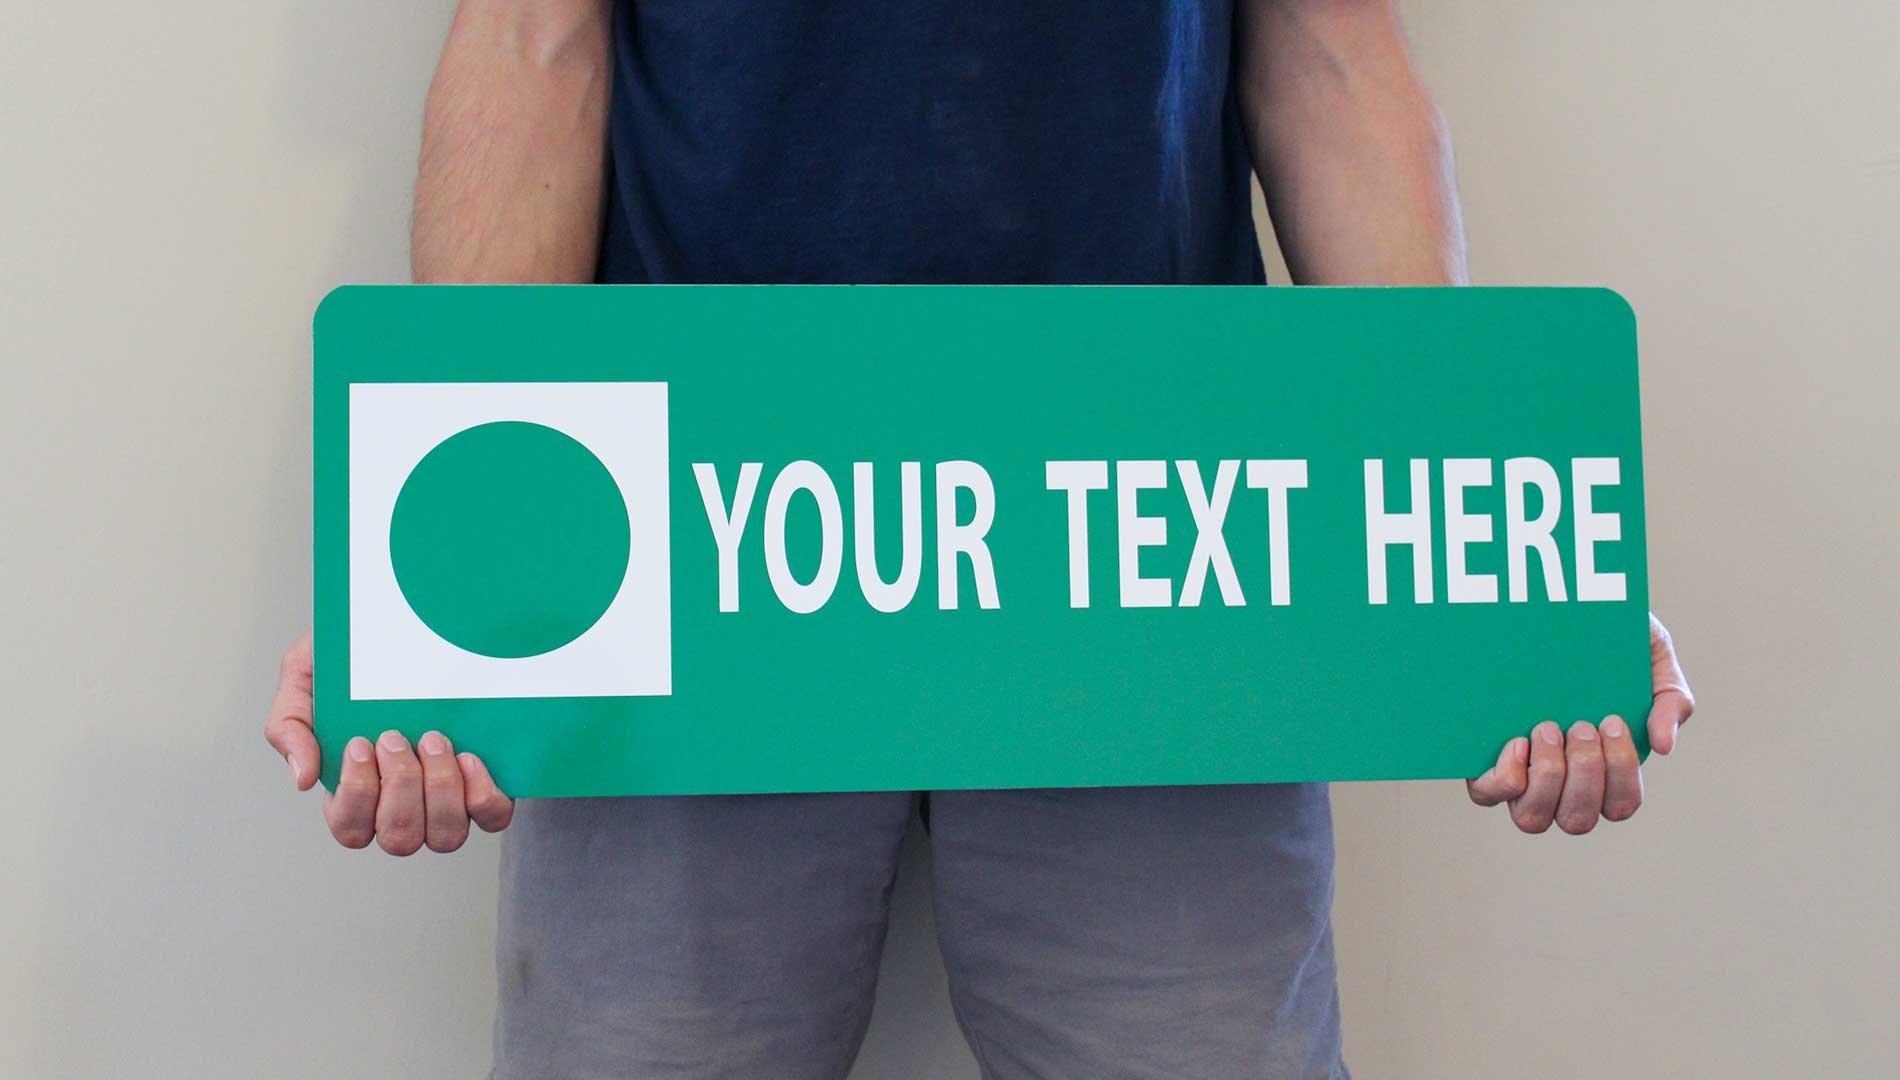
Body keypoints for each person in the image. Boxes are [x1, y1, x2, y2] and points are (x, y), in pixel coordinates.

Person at [264, 2, 1699, 1076]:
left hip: (1157, 555)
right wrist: (444, 568)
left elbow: (1328, 56)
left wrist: (1497, 559)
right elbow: (534, 47)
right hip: (691, 564)